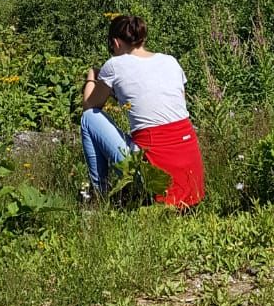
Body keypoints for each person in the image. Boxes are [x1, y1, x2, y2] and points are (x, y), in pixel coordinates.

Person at [80, 14, 205, 208]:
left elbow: (90, 105)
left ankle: (99, 197)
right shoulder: (170, 61)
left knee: (88, 119)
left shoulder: (114, 65)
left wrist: (91, 77)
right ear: (142, 39)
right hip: (191, 179)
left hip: (156, 179)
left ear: (115, 42)